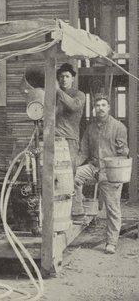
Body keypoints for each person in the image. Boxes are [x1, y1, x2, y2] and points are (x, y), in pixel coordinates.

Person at [73, 94, 129, 254]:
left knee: (112, 208)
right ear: (94, 108)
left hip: (111, 171)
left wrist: (123, 153)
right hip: (93, 167)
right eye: (98, 105)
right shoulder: (90, 128)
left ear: (109, 107)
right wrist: (71, 167)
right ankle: (79, 209)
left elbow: (123, 153)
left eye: (104, 105)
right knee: (73, 176)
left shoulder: (119, 127)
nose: (101, 108)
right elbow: (83, 152)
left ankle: (111, 242)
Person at [55, 62, 86, 173]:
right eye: (61, 76)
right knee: (54, 173)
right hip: (53, 139)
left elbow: (73, 106)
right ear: (58, 78)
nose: (64, 79)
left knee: (68, 173)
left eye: (67, 76)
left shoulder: (79, 95)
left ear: (72, 78)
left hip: (70, 139)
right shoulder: (53, 96)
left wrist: (58, 90)